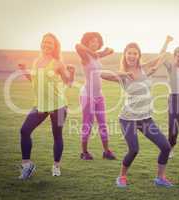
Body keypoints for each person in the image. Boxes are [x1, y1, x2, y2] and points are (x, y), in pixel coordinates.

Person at [101, 37, 173, 188]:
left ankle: (160, 178)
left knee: (166, 147)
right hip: (128, 118)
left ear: (139, 55)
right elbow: (101, 74)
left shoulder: (144, 68)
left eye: (135, 53)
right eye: (129, 53)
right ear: (125, 55)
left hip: (145, 118)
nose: (132, 56)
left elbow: (161, 56)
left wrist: (166, 42)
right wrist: (123, 74)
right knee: (134, 150)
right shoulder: (122, 75)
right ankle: (121, 177)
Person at [17, 33, 75, 179]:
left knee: (57, 135)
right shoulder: (36, 61)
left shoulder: (58, 63)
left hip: (59, 106)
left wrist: (72, 73)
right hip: (40, 105)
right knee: (24, 131)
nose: (47, 45)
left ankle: (56, 166)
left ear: (55, 46)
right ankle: (27, 165)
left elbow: (69, 82)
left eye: (50, 43)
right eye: (45, 42)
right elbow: (34, 79)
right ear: (41, 44)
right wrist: (24, 71)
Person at [75, 32, 116, 160]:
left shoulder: (96, 56)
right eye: (92, 41)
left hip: (99, 95)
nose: (95, 43)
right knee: (88, 123)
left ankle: (106, 151)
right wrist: (93, 52)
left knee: (103, 123)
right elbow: (77, 45)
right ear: (87, 42)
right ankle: (84, 152)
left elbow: (111, 50)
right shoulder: (85, 56)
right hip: (88, 95)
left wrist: (104, 52)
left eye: (97, 41)